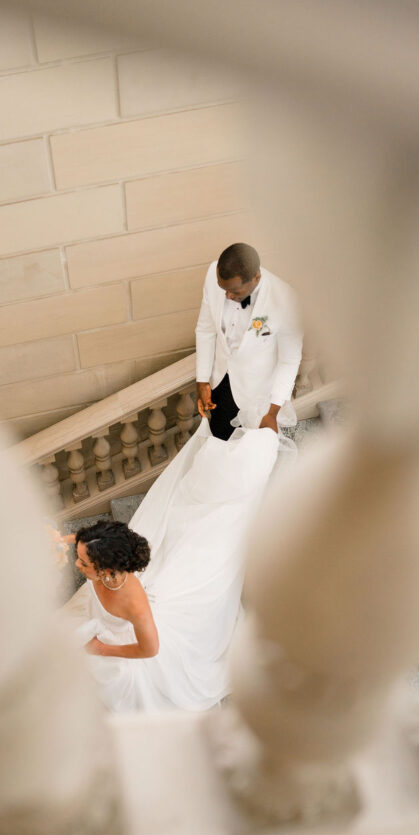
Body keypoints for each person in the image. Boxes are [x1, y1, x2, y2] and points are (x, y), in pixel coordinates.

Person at [65, 418, 283, 712]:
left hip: (135, 646)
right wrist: (58, 539)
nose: (78, 566)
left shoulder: (133, 601)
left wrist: (102, 649)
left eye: (83, 563)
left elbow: (150, 649)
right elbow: (83, 540)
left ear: (107, 570)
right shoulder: (102, 560)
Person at [195, 243, 303, 440]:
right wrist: (202, 380)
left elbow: (289, 360)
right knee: (220, 442)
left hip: (258, 394)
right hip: (221, 381)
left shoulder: (286, 299)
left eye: (235, 292)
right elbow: (205, 329)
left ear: (256, 278)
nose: (227, 296)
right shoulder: (213, 272)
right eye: (223, 289)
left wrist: (272, 412)